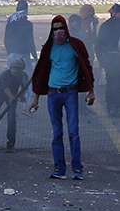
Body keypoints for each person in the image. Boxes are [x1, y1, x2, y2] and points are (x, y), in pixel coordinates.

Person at [30, 15, 94, 180]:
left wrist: (90, 90)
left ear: (66, 29)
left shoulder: (76, 45)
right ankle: (59, 169)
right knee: (57, 133)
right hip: (53, 94)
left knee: (73, 132)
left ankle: (77, 169)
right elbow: (41, 72)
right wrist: (36, 98)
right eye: (55, 29)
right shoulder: (49, 48)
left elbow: (87, 66)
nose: (58, 32)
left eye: (61, 28)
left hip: (70, 93)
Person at [4, 0, 38, 105]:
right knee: (27, 80)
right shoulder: (27, 24)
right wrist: (35, 57)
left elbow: (6, 40)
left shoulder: (10, 22)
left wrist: (9, 53)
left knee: (9, 79)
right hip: (23, 55)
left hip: (12, 54)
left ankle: (9, 101)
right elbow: (30, 41)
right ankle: (27, 105)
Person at [95, 4, 120, 116]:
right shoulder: (107, 26)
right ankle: (113, 106)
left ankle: (112, 107)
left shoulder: (105, 25)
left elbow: (98, 45)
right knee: (113, 84)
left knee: (112, 84)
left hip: (110, 58)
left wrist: (101, 59)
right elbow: (99, 45)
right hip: (111, 58)